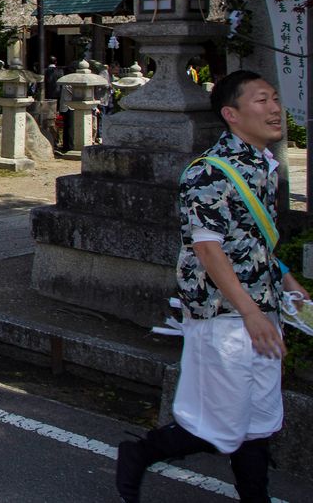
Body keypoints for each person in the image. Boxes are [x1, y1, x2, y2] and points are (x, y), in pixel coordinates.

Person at [115, 71, 309, 503]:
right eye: (262, 100)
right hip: (223, 312)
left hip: (261, 305)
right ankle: (139, 453)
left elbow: (255, 240)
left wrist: (288, 284)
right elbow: (209, 251)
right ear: (231, 114)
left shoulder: (262, 164)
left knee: (258, 417)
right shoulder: (208, 173)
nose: (275, 108)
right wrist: (251, 312)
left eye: (275, 98)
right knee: (220, 420)